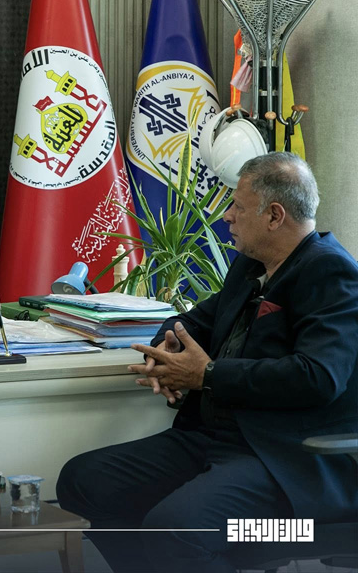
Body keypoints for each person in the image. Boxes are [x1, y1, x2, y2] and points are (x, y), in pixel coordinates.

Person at [56, 151, 358, 573]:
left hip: (286, 464)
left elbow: (318, 377)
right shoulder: (252, 266)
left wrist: (208, 374)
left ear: (274, 215)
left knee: (176, 530)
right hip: (211, 439)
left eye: (237, 206)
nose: (226, 216)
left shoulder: (331, 273)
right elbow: (191, 322)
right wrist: (168, 352)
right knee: (84, 481)